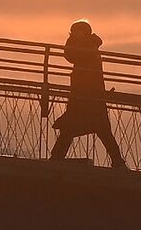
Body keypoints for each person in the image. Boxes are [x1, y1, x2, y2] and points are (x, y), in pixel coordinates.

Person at [50, 19, 127, 169]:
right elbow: (72, 55)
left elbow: (72, 55)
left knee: (78, 127)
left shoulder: (87, 49)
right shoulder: (90, 46)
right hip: (89, 95)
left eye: (76, 32)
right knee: (98, 129)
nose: (73, 35)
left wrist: (71, 41)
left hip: (87, 94)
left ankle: (56, 158)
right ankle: (118, 162)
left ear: (84, 33)